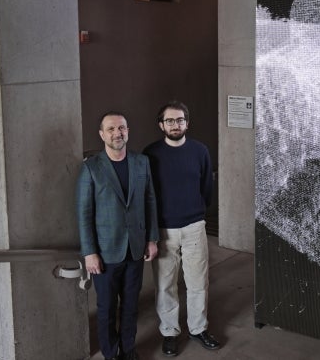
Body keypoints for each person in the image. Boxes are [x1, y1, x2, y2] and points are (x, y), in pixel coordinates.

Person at [76, 112, 159, 360]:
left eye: (121, 128)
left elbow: (150, 200)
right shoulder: (91, 168)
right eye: (111, 129)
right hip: (105, 252)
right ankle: (111, 354)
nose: (117, 133)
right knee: (106, 309)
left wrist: (152, 238)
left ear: (128, 131)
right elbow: (84, 213)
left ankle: (129, 349)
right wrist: (90, 252)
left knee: (131, 306)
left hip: (135, 248)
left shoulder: (141, 162)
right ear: (102, 134)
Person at [143, 100, 220, 357]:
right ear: (161, 125)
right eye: (170, 120)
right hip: (164, 229)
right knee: (165, 285)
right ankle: (169, 332)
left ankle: (198, 329)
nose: (175, 125)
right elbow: (147, 194)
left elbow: (207, 189)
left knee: (198, 282)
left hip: (194, 226)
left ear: (187, 123)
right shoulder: (150, 154)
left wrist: (196, 212)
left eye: (180, 120)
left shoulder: (200, 151)